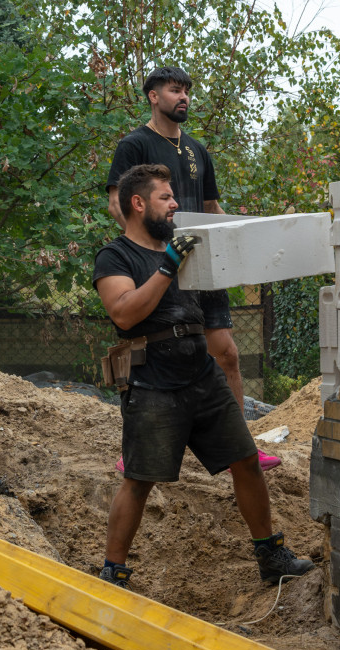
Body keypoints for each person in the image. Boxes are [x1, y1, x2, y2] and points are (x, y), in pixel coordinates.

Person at [94, 164, 313, 588]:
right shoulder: (115, 256)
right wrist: (166, 268)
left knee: (247, 462)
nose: (176, 204)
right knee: (139, 480)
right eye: (165, 197)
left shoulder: (184, 248)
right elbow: (123, 313)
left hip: (202, 375)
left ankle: (270, 555)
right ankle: (113, 572)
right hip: (153, 381)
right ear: (138, 204)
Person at [105, 65, 280, 472]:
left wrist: (256, 237)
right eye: (174, 90)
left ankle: (244, 448)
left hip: (202, 265)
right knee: (148, 355)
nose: (183, 97)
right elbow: (117, 203)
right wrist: (151, 253)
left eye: (186, 91)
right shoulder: (134, 145)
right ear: (153, 96)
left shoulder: (198, 151)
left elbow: (212, 211)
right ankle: (134, 448)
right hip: (158, 266)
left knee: (227, 354)